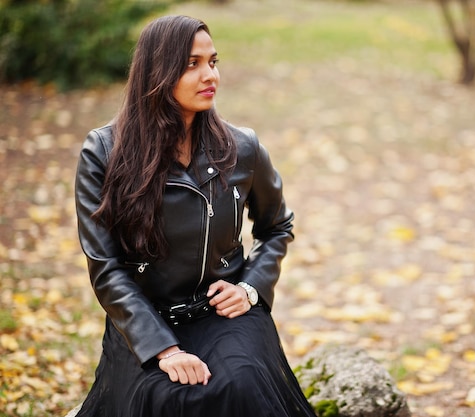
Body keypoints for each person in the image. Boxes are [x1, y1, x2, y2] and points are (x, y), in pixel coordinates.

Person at [74, 14, 316, 417]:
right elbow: (105, 267)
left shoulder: (243, 148)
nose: (210, 76)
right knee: (167, 397)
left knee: (240, 385)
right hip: (144, 321)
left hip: (224, 314)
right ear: (157, 71)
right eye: (192, 64)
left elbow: (278, 227)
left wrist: (250, 288)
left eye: (213, 62)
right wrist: (163, 348)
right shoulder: (103, 153)